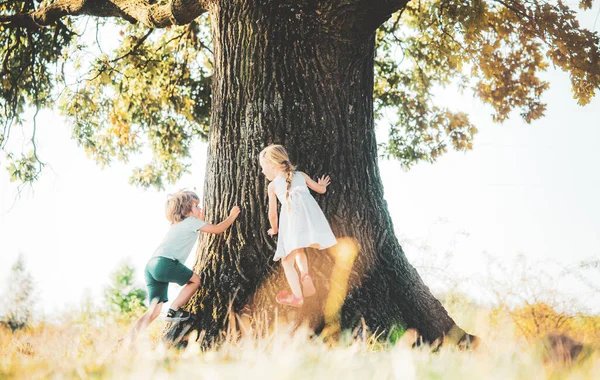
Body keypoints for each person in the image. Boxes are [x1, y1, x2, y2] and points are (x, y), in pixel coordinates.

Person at [126, 190, 240, 342]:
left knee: (153, 311)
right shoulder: (191, 223)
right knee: (195, 281)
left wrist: (200, 215)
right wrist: (232, 215)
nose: (200, 209)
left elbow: (199, 224)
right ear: (187, 210)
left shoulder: (177, 224)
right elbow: (217, 229)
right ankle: (173, 310)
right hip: (165, 263)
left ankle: (128, 339)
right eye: (196, 206)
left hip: (152, 265)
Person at [259, 144, 337, 307]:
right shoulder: (300, 175)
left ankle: (297, 297)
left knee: (287, 262)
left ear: (272, 164)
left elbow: (272, 214)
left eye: (263, 166)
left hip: (292, 223)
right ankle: (305, 275)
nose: (262, 171)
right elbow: (320, 190)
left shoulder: (273, 185)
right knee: (299, 249)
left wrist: (274, 229)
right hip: (310, 221)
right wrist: (322, 185)